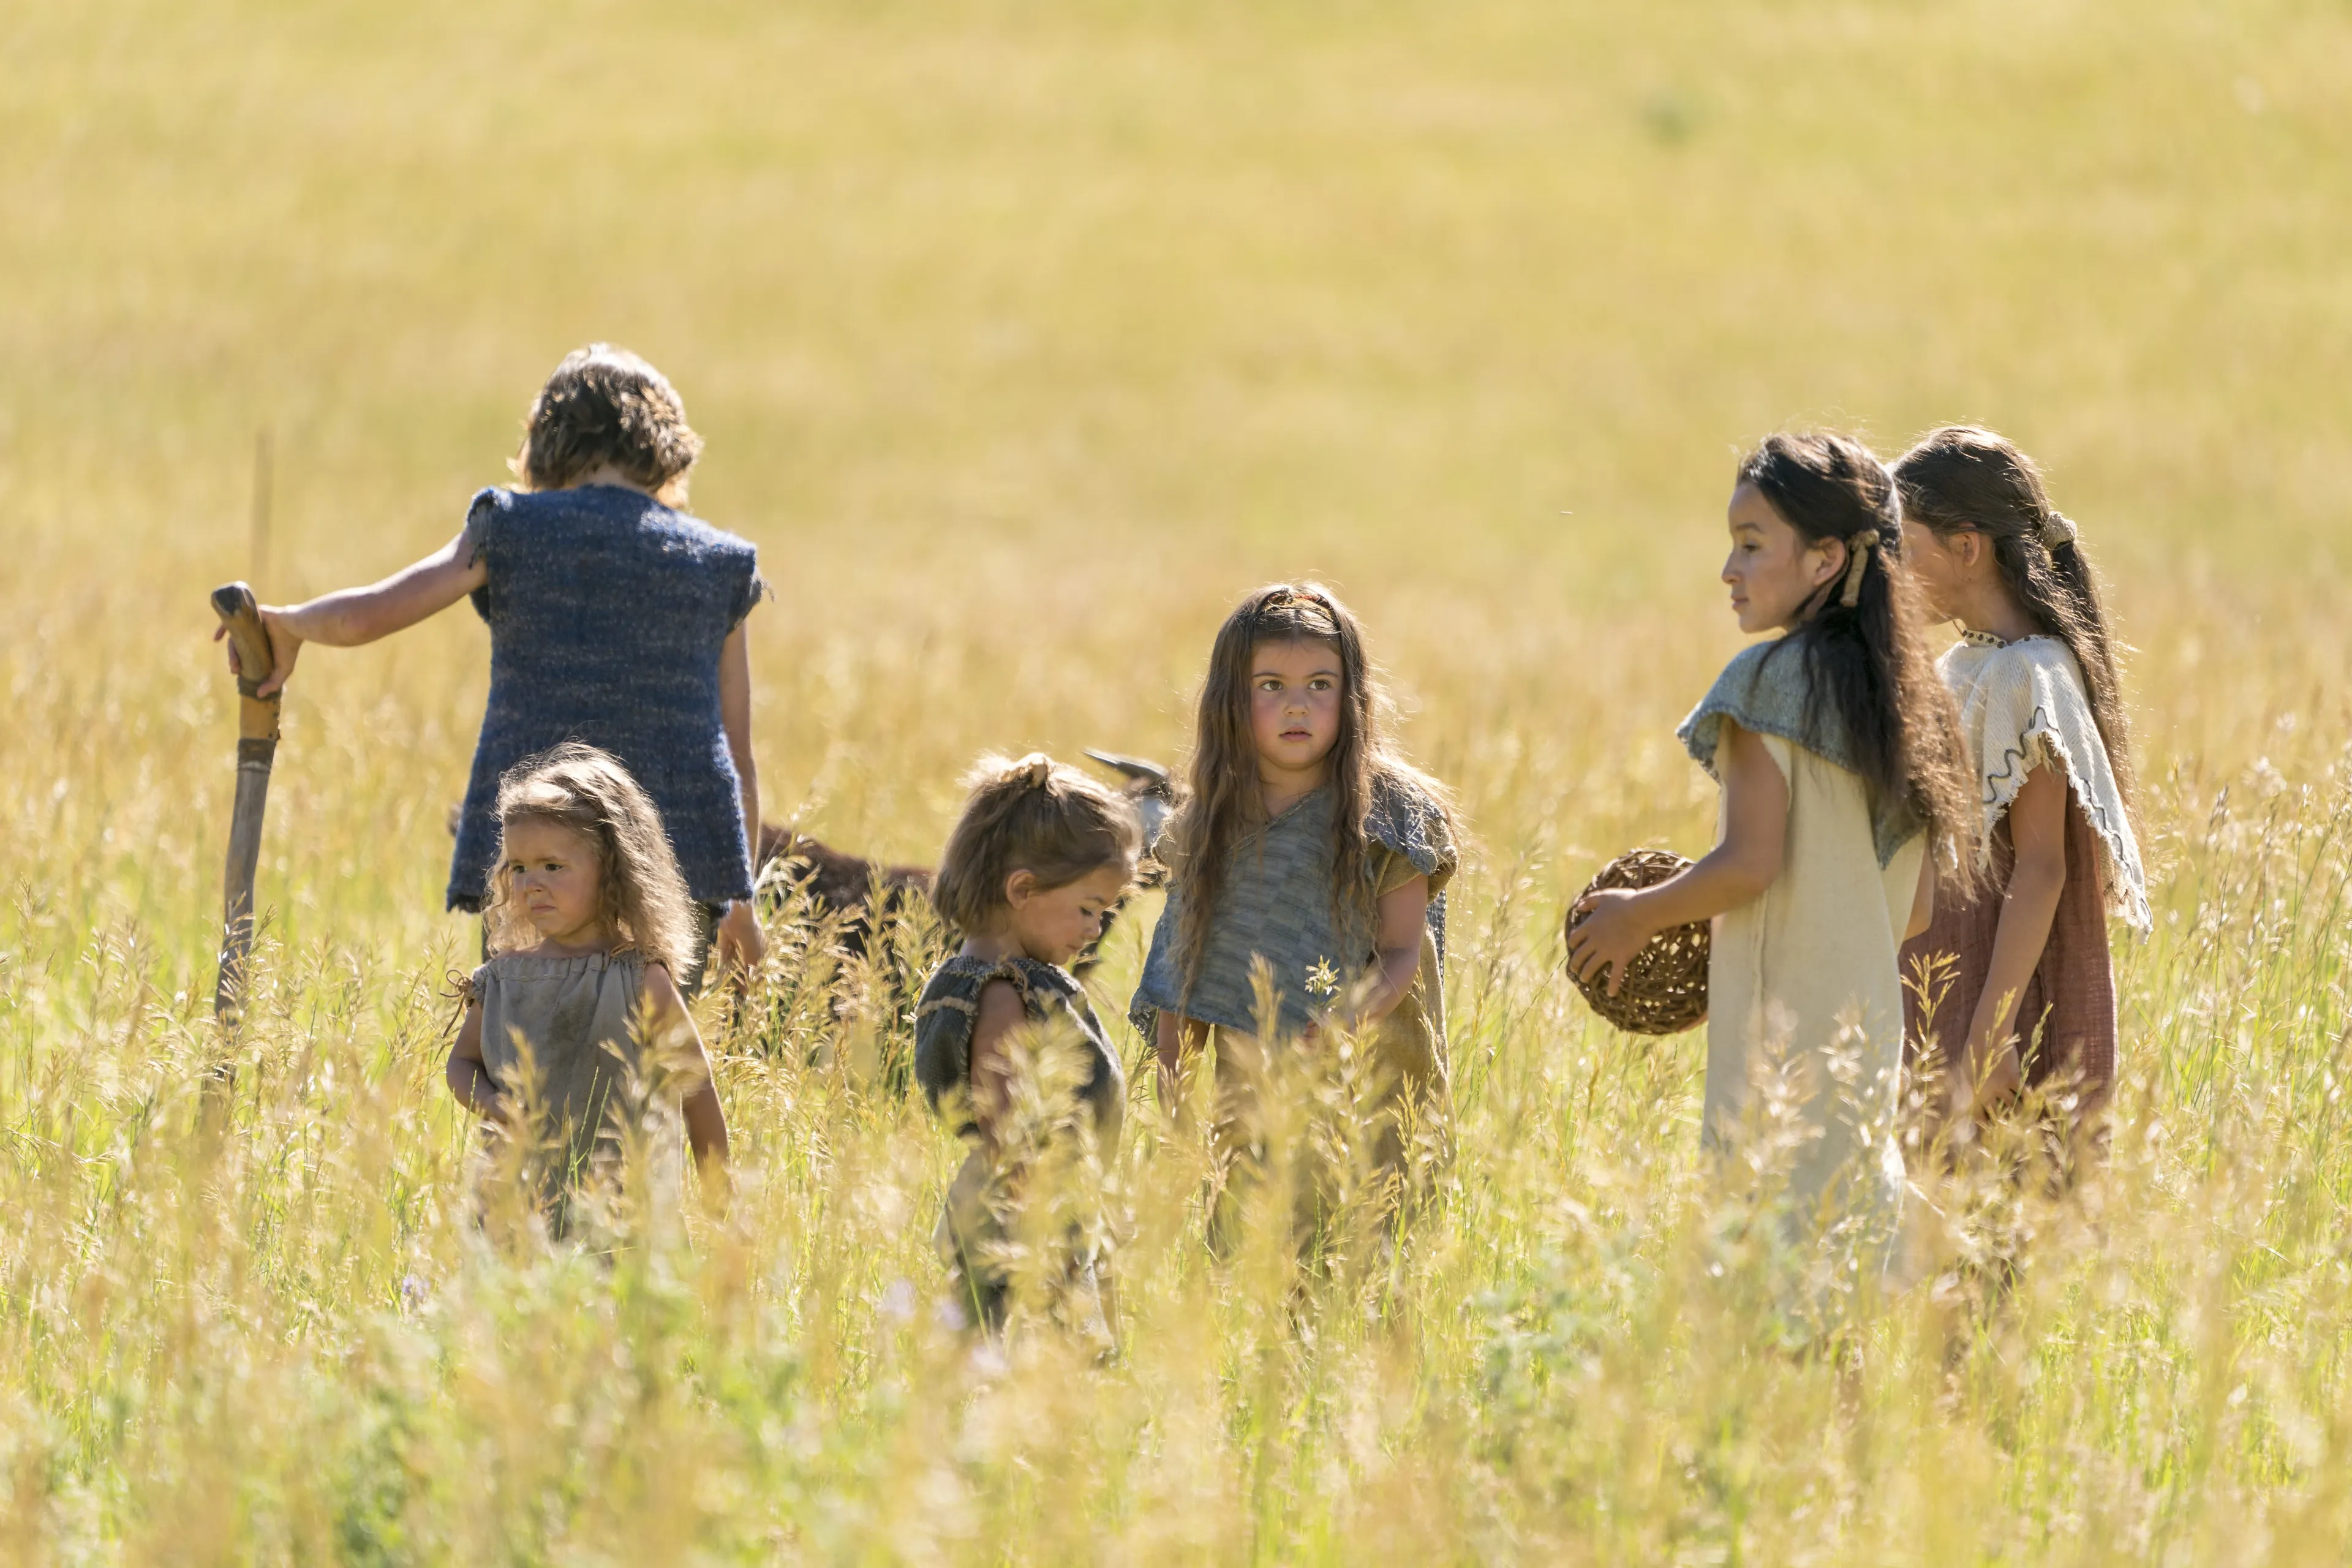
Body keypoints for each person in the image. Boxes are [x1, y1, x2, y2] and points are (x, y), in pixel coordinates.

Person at [1567, 432, 1974, 1311]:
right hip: (1862, 1032)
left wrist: (1643, 914)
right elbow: (1913, 912)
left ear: (1826, 557)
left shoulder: (1764, 683)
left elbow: (1752, 863)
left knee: (1766, 1292)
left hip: (1775, 1044)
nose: (1728, 568)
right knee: (1850, 1268)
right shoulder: (1913, 707)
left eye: (1752, 543)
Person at [216, 344, 767, 986]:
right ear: (665, 446)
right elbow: (738, 755)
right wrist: (743, 906)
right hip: (679, 866)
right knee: (647, 1066)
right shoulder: (719, 563)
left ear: (545, 441)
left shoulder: (511, 527)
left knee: (528, 1060)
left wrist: (289, 626)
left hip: (538, 860)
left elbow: (372, 613)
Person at [1128, 583, 1458, 1235]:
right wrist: (1174, 1101)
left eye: (1320, 684)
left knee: (1369, 1266)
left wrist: (1342, 1018)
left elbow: (1402, 950)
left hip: (1373, 1075)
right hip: (1252, 1096)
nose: (1297, 705)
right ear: (1231, 700)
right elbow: (1183, 974)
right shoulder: (1211, 824)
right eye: (1271, 685)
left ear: (1353, 698)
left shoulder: (1387, 812)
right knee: (1260, 1269)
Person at [1893, 426, 2148, 1137]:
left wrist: (1992, 1036)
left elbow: (2041, 867)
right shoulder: (1967, 665)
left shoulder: (2029, 673)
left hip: (1999, 1000)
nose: (1893, 570)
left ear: (1967, 548)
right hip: (1951, 976)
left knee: (1997, 1220)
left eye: (1905, 548)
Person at [446, 744, 731, 1234]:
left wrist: (720, 1199)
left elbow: (697, 1090)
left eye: (553, 867)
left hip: (620, 1220)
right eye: (519, 867)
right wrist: (493, 1103)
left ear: (612, 869)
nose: (532, 883)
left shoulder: (640, 980)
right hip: (512, 1214)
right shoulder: (503, 980)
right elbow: (462, 1064)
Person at [913, 755, 1140, 1341]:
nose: (1095, 929)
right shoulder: (999, 993)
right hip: (1022, 1229)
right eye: (1088, 908)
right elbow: (1010, 1132)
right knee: (1019, 1358)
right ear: (1023, 889)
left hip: (1049, 1214)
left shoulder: (1018, 978)